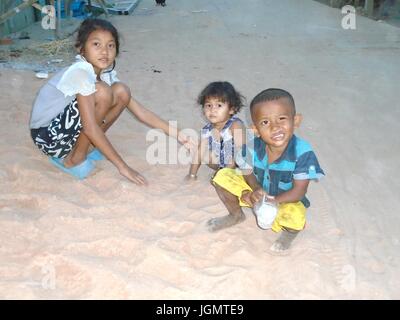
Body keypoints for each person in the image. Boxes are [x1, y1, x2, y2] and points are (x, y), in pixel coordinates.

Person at [29, 18, 190, 185]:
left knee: (121, 91)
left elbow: (141, 112)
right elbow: (90, 127)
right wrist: (123, 167)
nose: (104, 52)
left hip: (64, 133)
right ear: (81, 48)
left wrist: (180, 135)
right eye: (96, 44)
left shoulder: (105, 75)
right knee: (103, 92)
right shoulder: (80, 73)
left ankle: (85, 148)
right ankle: (74, 159)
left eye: (110, 45)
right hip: (47, 137)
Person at [211, 88, 325, 254]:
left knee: (297, 215)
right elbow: (246, 170)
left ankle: (288, 235)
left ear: (296, 120)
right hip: (257, 190)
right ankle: (236, 215)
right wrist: (252, 190)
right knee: (222, 177)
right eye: (265, 122)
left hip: (284, 198)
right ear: (256, 130)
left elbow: (299, 192)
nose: (275, 127)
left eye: (282, 119)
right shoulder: (252, 146)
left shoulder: (302, 152)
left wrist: (271, 201)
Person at [185, 81, 246, 180]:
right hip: (222, 164)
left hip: (241, 165)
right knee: (196, 148)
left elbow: (242, 153)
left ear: (232, 109)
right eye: (209, 105)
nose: (213, 110)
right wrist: (192, 174)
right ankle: (222, 172)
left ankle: (224, 174)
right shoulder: (207, 130)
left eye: (219, 105)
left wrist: (224, 173)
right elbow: (200, 153)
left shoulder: (235, 125)